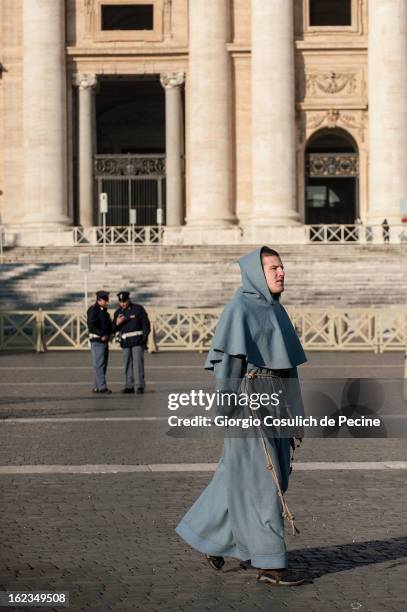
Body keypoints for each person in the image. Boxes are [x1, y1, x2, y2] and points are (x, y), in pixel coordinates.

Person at [176, 246, 308, 586]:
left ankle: (208, 535)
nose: (281, 273)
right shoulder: (239, 308)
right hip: (249, 406)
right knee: (266, 482)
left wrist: (297, 416)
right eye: (273, 268)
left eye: (282, 266)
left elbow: (288, 368)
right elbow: (231, 366)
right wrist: (225, 410)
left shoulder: (278, 311)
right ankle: (270, 564)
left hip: (276, 404)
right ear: (255, 273)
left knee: (241, 476)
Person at [113, 291, 151, 394]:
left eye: (124, 301)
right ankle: (129, 385)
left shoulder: (138, 309)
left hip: (137, 340)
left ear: (128, 299)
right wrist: (117, 323)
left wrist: (144, 337)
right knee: (127, 363)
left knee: (138, 363)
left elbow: (145, 324)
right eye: (121, 302)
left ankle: (140, 385)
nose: (123, 304)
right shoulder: (118, 313)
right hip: (125, 342)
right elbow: (113, 328)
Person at [87, 290, 112, 394]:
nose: (107, 302)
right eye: (105, 300)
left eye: (107, 300)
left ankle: (97, 386)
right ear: (99, 300)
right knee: (99, 364)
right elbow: (92, 325)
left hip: (104, 340)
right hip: (98, 340)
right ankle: (102, 387)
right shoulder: (94, 310)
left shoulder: (104, 311)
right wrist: (102, 334)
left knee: (102, 364)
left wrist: (110, 333)